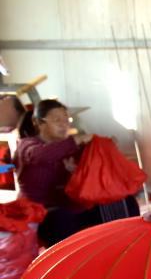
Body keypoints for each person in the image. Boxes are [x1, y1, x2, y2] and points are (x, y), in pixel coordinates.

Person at [13, 99, 139, 246]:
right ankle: (72, 256)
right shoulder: (27, 145)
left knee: (124, 202)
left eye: (67, 120)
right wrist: (77, 140)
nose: (64, 124)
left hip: (71, 208)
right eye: (57, 120)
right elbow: (40, 155)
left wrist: (102, 147)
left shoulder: (71, 148)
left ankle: (126, 245)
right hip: (42, 214)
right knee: (63, 219)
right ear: (38, 123)